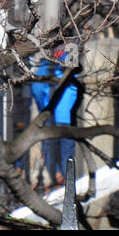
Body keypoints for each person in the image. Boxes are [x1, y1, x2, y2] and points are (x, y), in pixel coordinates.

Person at [31, 48, 80, 187]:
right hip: (67, 118)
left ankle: (57, 179)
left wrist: (43, 108)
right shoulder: (73, 62)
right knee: (67, 156)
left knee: (50, 153)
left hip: (50, 115)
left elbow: (37, 89)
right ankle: (66, 186)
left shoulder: (48, 63)